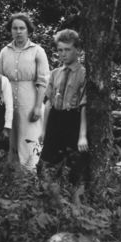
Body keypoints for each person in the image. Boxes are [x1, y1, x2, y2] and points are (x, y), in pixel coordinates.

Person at [39, 29, 89, 204]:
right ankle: (54, 202)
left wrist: (82, 135)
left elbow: (84, 105)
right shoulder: (55, 73)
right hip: (55, 120)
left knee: (76, 167)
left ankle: (77, 207)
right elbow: (48, 103)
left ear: (78, 50)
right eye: (60, 50)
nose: (63, 54)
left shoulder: (84, 74)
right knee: (45, 165)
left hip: (73, 121)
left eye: (67, 50)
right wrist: (44, 130)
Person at [0, 13, 50, 170]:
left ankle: (30, 175)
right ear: (10, 30)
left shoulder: (37, 51)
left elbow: (43, 81)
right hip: (9, 101)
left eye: (22, 28)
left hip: (30, 100)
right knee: (12, 138)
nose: (18, 31)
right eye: (15, 28)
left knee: (29, 138)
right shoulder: (4, 52)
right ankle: (14, 177)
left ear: (28, 30)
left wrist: (37, 106)